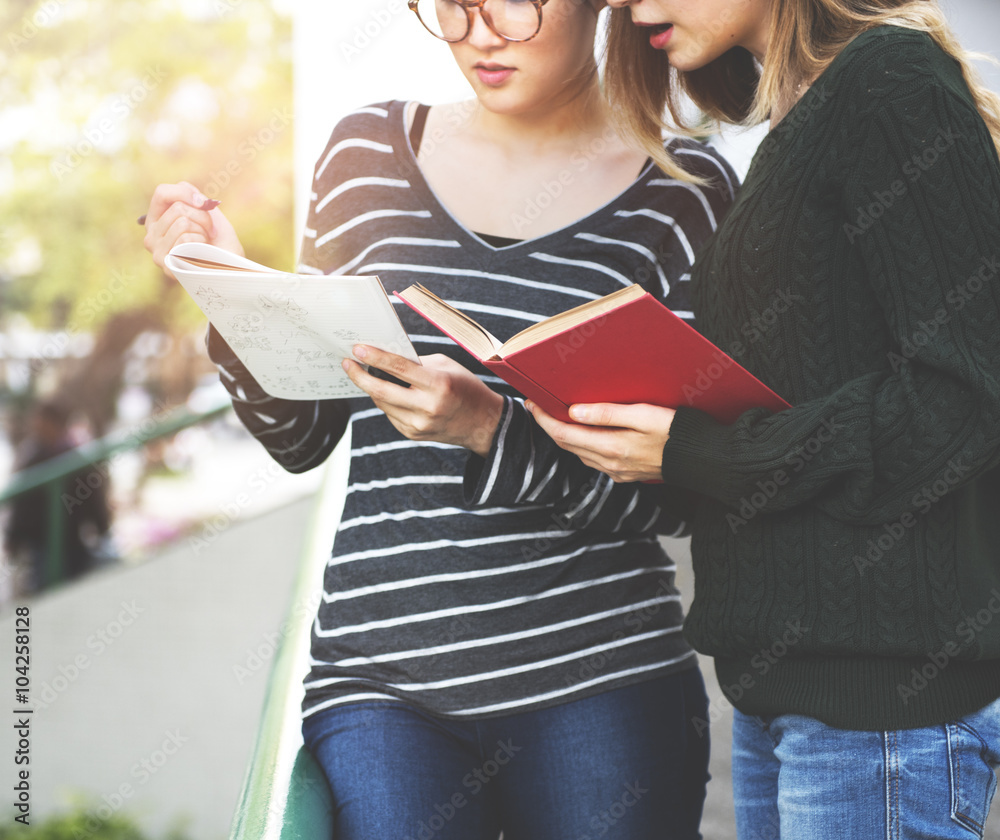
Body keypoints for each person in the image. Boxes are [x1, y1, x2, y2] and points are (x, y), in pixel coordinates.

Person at [143, 1, 739, 836]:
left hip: (602, 682)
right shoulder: (365, 153)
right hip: (384, 682)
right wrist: (229, 291)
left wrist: (492, 431)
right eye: (449, 6)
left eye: (514, 4)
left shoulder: (685, 191)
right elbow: (301, 439)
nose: (478, 33)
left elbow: (685, 493)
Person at [523, 0, 1000, 836]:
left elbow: (963, 401)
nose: (635, 11)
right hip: (788, 700)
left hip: (877, 712)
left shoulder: (889, 83)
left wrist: (697, 454)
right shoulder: (801, 118)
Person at [3, 399, 112, 594]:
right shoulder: (32, 458)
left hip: (71, 541)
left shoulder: (73, 458)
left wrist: (102, 528)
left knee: (74, 590)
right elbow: (21, 505)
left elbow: (92, 496)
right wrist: (14, 539)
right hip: (40, 544)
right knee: (43, 593)